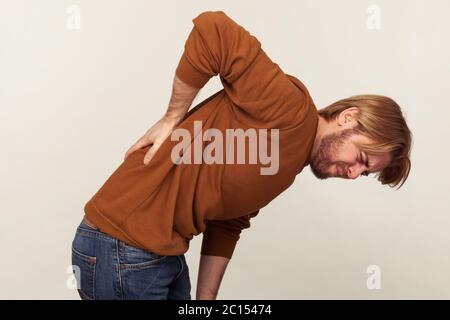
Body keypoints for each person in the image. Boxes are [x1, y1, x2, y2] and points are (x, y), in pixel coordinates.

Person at [71, 10, 412, 300]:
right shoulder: (290, 111)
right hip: (122, 245)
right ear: (348, 118)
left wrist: (206, 300)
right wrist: (172, 117)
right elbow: (213, 30)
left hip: (161, 254)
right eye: (362, 159)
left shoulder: (289, 163)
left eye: (364, 173)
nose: (353, 174)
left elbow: (227, 221)